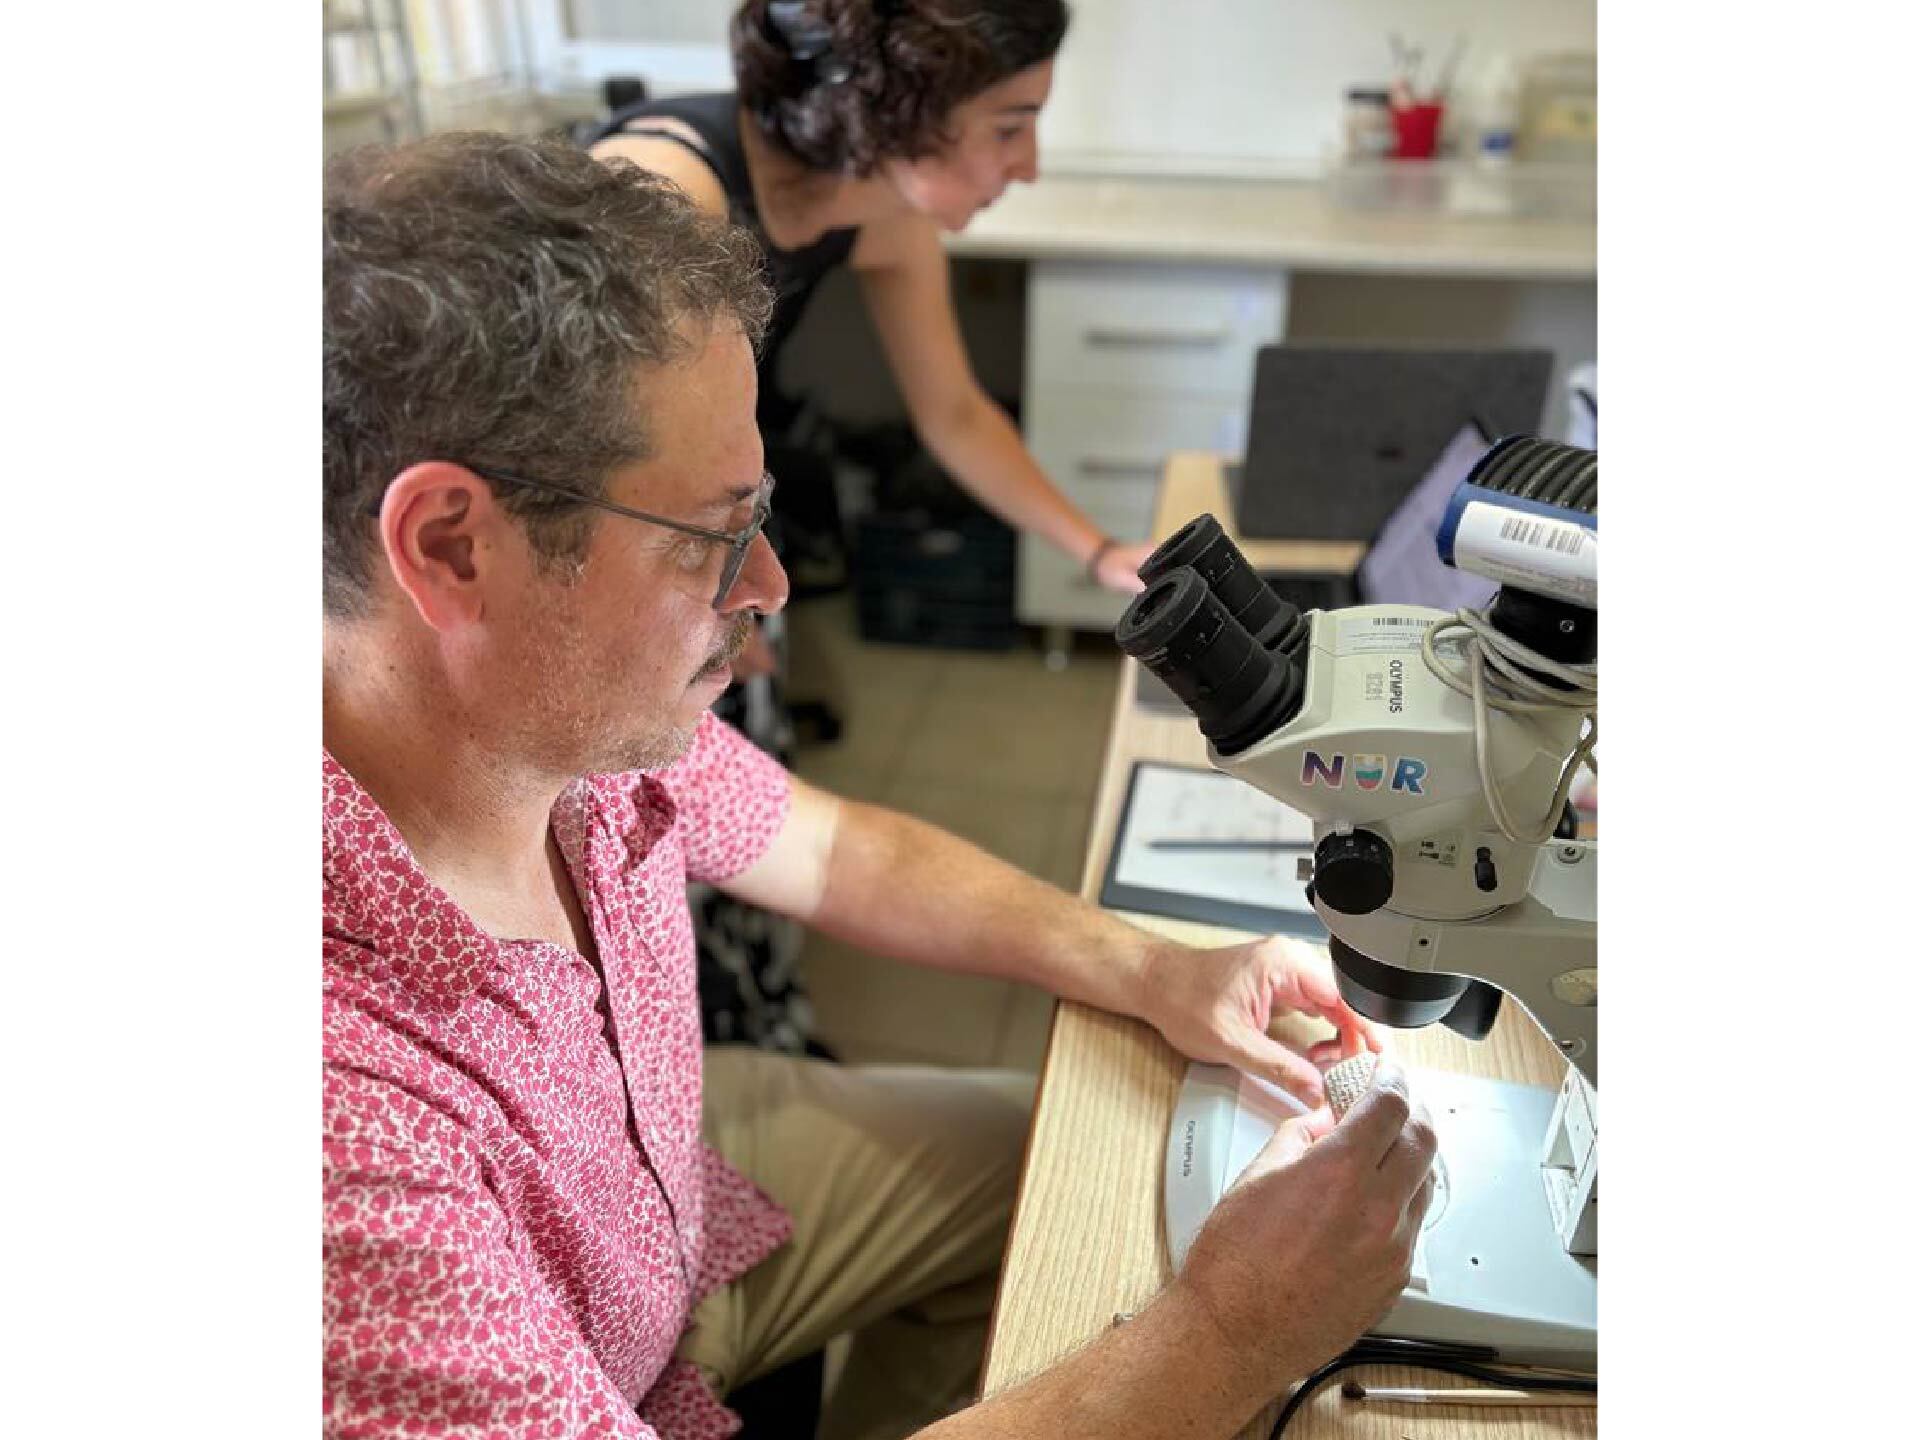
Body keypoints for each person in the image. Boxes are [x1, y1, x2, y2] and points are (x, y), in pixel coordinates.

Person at [322, 132, 1437, 1440]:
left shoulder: (548, 717)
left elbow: (835, 854)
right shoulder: (344, 1150)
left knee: (1086, 1176)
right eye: (711, 538)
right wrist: (1235, 1334)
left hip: (676, 1203)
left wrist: (1154, 970)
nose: (768, 589)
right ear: (455, 547)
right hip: (587, 1334)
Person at [584, 0, 1156, 599]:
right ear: (897, 112)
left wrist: (1101, 553)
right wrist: (696, 598)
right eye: (1009, 128)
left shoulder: (882, 212)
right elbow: (610, 464)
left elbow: (954, 414)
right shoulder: (671, 196)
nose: (1030, 167)